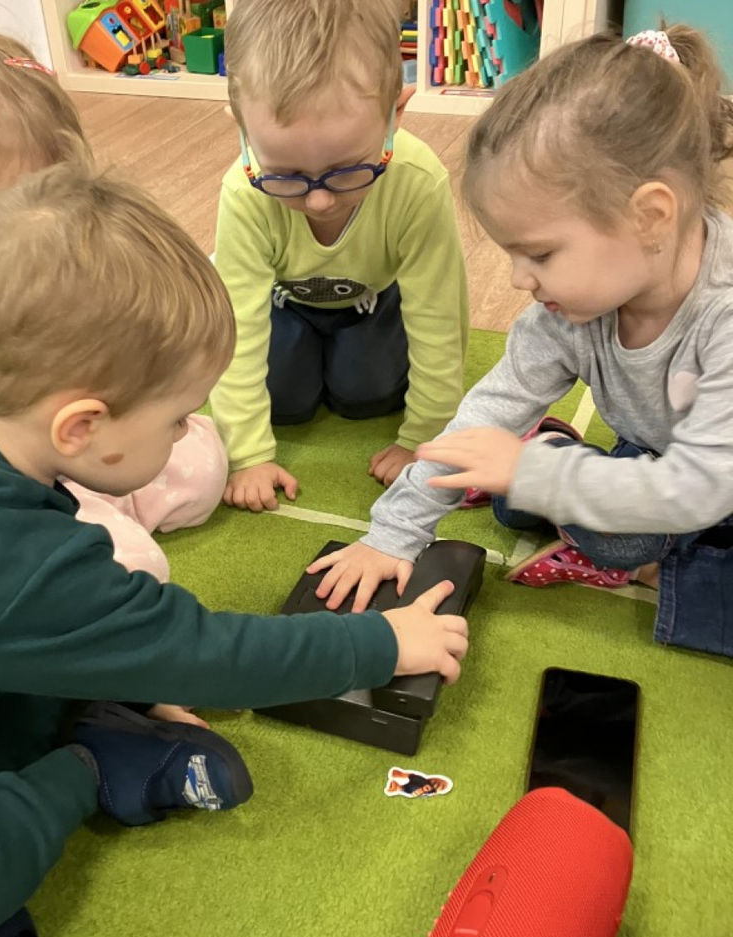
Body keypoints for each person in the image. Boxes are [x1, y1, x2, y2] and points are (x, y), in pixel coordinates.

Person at [0, 165, 469, 937]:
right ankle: (85, 767)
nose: (185, 435)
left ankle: (54, 769)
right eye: (176, 419)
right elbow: (210, 656)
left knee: (23, 665)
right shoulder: (12, 562)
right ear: (80, 427)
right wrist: (382, 644)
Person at [0, 2, 229, 718]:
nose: (40, 229)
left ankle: (111, 510)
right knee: (134, 569)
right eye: (3, 208)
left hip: (74, 451)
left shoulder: (61, 251)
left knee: (202, 464)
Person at [307, 26, 733, 657]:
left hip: (709, 476)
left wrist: (532, 472)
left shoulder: (722, 315)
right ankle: (564, 477)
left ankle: (562, 478)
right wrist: (391, 536)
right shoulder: (569, 312)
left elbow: (702, 485)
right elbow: (486, 410)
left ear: (649, 217)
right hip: (663, 458)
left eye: (539, 253)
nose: (516, 279)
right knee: (596, 520)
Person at [210, 0, 469, 512]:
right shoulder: (243, 192)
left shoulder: (418, 183)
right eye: (285, 174)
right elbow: (235, 328)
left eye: (348, 169)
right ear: (241, 128)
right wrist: (247, 456)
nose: (319, 200)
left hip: (374, 301)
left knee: (365, 395)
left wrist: (424, 437)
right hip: (283, 305)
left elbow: (440, 319)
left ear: (395, 114)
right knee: (283, 401)